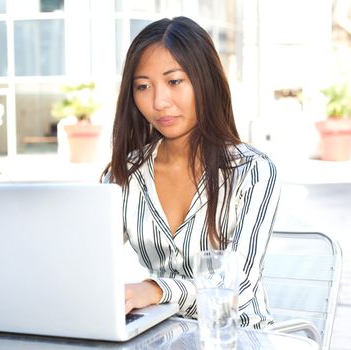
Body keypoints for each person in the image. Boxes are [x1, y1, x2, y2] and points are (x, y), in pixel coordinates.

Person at [101, 16, 280, 329]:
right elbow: (90, 261)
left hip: (238, 337)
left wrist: (156, 290)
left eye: (174, 81)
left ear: (205, 81)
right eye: (143, 86)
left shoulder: (253, 172)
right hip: (159, 334)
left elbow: (237, 288)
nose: (159, 102)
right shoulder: (124, 174)